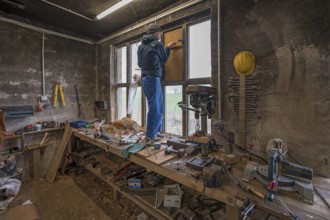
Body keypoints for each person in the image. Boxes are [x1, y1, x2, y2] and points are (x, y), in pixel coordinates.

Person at [137, 23, 177, 144]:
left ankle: (157, 131)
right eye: (159, 33)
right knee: (156, 107)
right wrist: (168, 47)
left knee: (155, 106)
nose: (160, 35)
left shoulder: (141, 46)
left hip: (144, 79)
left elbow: (140, 64)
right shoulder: (158, 44)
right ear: (155, 33)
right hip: (153, 78)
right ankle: (150, 135)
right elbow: (164, 59)